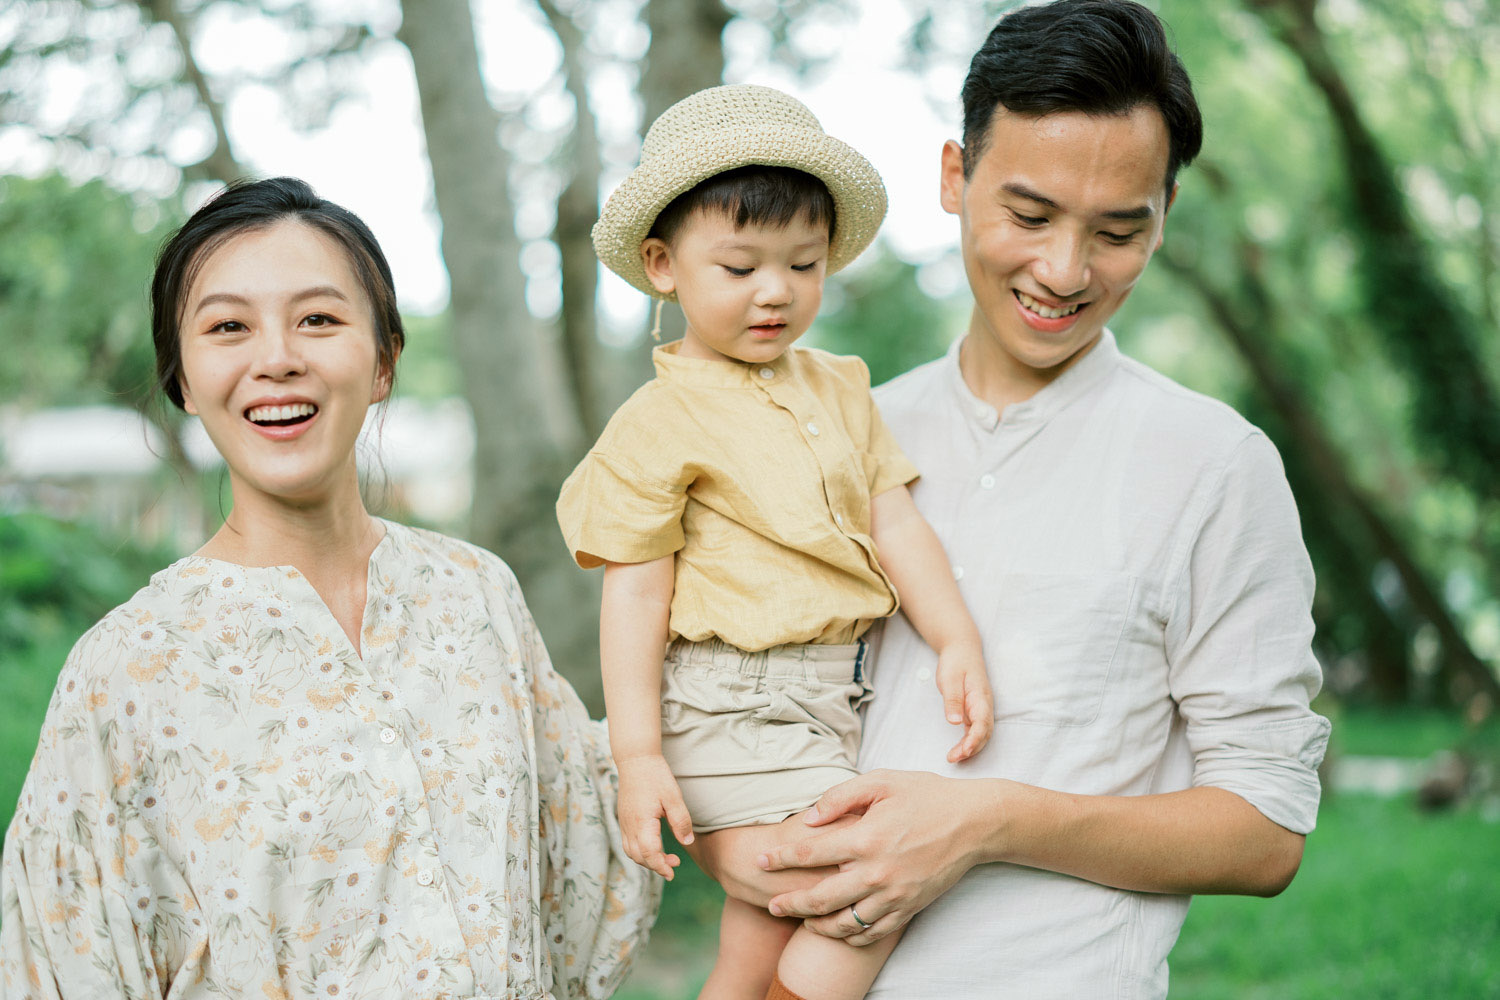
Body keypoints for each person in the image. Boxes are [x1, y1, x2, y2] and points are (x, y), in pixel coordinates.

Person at [687, 3, 1333, 998]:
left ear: (1165, 214)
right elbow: (723, 687)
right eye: (1029, 217)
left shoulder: (1215, 467)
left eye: (1119, 231)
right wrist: (733, 843)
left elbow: (1266, 830)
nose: (1064, 271)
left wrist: (985, 823)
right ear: (954, 176)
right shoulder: (840, 431)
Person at [0, 177, 658, 1000]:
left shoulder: (475, 595)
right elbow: (60, 961)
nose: (277, 358)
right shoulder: (128, 671)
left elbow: (594, 826)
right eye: (228, 327)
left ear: (383, 362)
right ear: (183, 382)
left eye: (318, 318)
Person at [555, 85, 994, 1000]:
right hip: (729, 704)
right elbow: (635, 592)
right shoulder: (658, 420)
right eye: (741, 266)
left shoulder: (838, 386)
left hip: (833, 695)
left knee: (753, 952)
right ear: (664, 265)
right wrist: (638, 756)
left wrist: (954, 636)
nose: (776, 292)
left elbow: (892, 517)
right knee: (863, 890)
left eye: (803, 263)